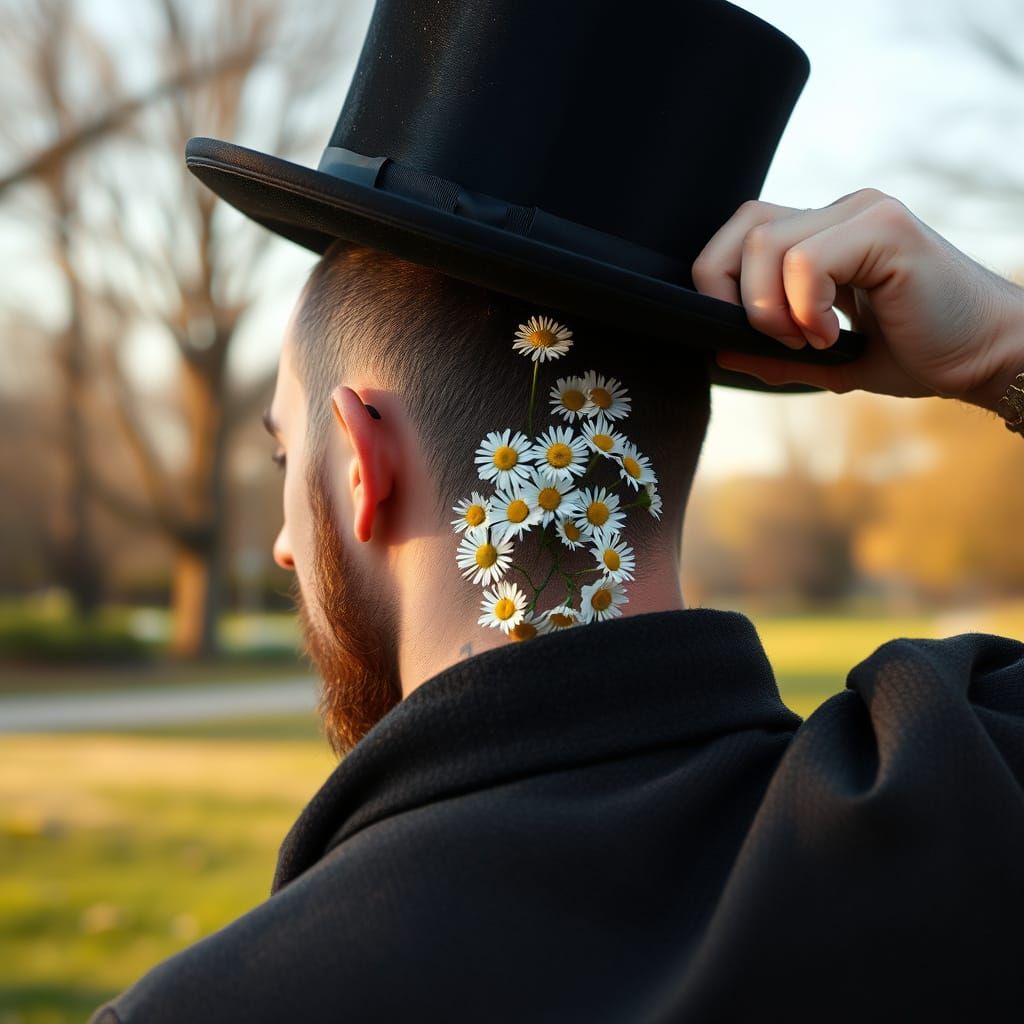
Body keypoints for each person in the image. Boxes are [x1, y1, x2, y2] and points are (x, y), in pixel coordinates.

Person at [91, 1, 1024, 1021]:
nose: (281, 545)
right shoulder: (964, 802)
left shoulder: (216, 1008)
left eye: (286, 454)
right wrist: (1000, 350)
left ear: (360, 462)